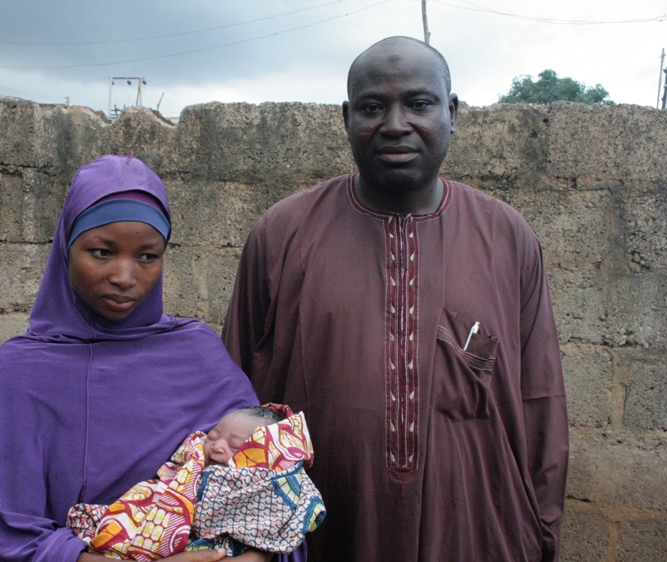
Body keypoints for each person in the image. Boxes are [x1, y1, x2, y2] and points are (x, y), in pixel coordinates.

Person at [222, 37, 568, 562]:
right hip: (314, 530)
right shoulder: (283, 233)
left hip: (476, 529)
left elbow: (541, 400)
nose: (395, 123)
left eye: (419, 104)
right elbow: (232, 385)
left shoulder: (505, 237)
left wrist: (542, 533)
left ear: (451, 113)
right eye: (372, 106)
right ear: (346, 118)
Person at [0, 155, 304, 562]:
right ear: (66, 249)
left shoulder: (197, 355)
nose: (125, 277)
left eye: (147, 256)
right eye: (102, 252)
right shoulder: (18, 375)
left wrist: (254, 556)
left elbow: (272, 486)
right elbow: (9, 536)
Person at [67, 405, 324, 561]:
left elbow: (295, 514)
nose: (217, 447)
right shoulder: (196, 461)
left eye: (234, 446)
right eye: (213, 436)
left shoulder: (269, 483)